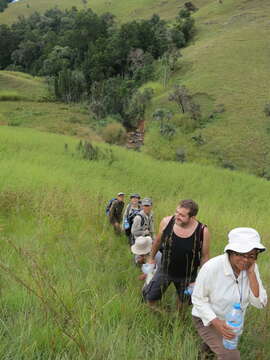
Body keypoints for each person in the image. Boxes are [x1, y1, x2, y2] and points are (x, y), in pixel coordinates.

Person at [192, 227, 267, 360]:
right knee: (230, 356)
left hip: (232, 323)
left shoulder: (251, 267)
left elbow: (260, 303)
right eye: (241, 254)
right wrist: (217, 323)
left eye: (251, 255)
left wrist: (251, 275)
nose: (246, 260)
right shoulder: (212, 267)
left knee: (211, 349)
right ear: (230, 252)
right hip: (207, 319)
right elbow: (198, 299)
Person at [146, 199, 210, 308]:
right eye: (177, 212)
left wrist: (200, 280)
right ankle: (162, 317)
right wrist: (151, 258)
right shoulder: (166, 222)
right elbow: (157, 241)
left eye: (182, 215)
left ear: (192, 217)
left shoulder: (202, 231)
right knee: (150, 298)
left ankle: (177, 320)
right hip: (165, 270)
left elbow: (205, 257)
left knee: (182, 306)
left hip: (187, 276)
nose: (177, 216)